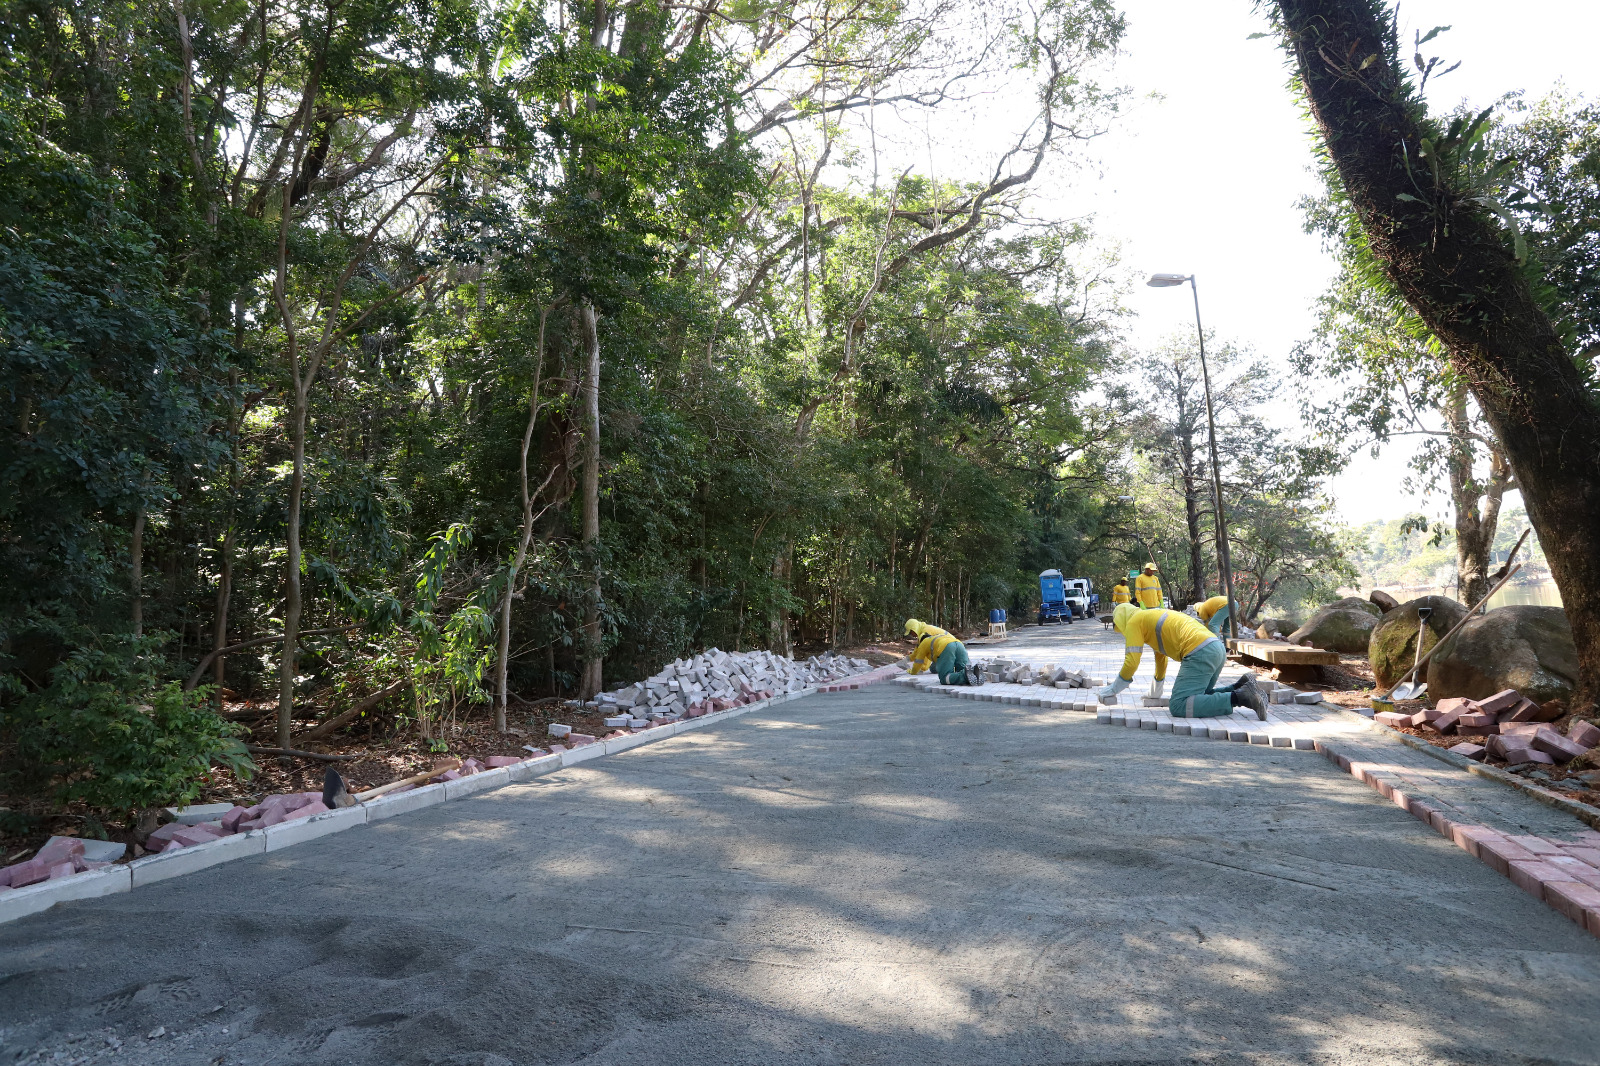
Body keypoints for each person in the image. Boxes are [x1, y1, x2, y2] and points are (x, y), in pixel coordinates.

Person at [1096, 603, 1265, 719]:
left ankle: (1241, 697)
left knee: (1179, 705)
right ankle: (1240, 686)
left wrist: (1113, 689)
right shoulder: (1149, 617)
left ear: (1122, 620)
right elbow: (1160, 658)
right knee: (1197, 698)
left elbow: (1131, 661)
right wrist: (1156, 691)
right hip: (1216, 648)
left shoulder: (1134, 622)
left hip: (1200, 652)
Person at [904, 618, 982, 686]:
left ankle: (964, 676)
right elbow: (916, 654)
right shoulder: (934, 637)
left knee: (945, 678)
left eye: (911, 632)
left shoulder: (924, 642)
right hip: (959, 644)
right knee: (962, 669)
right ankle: (974, 673)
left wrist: (913, 672)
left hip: (947, 648)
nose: (912, 635)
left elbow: (919, 661)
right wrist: (907, 659)